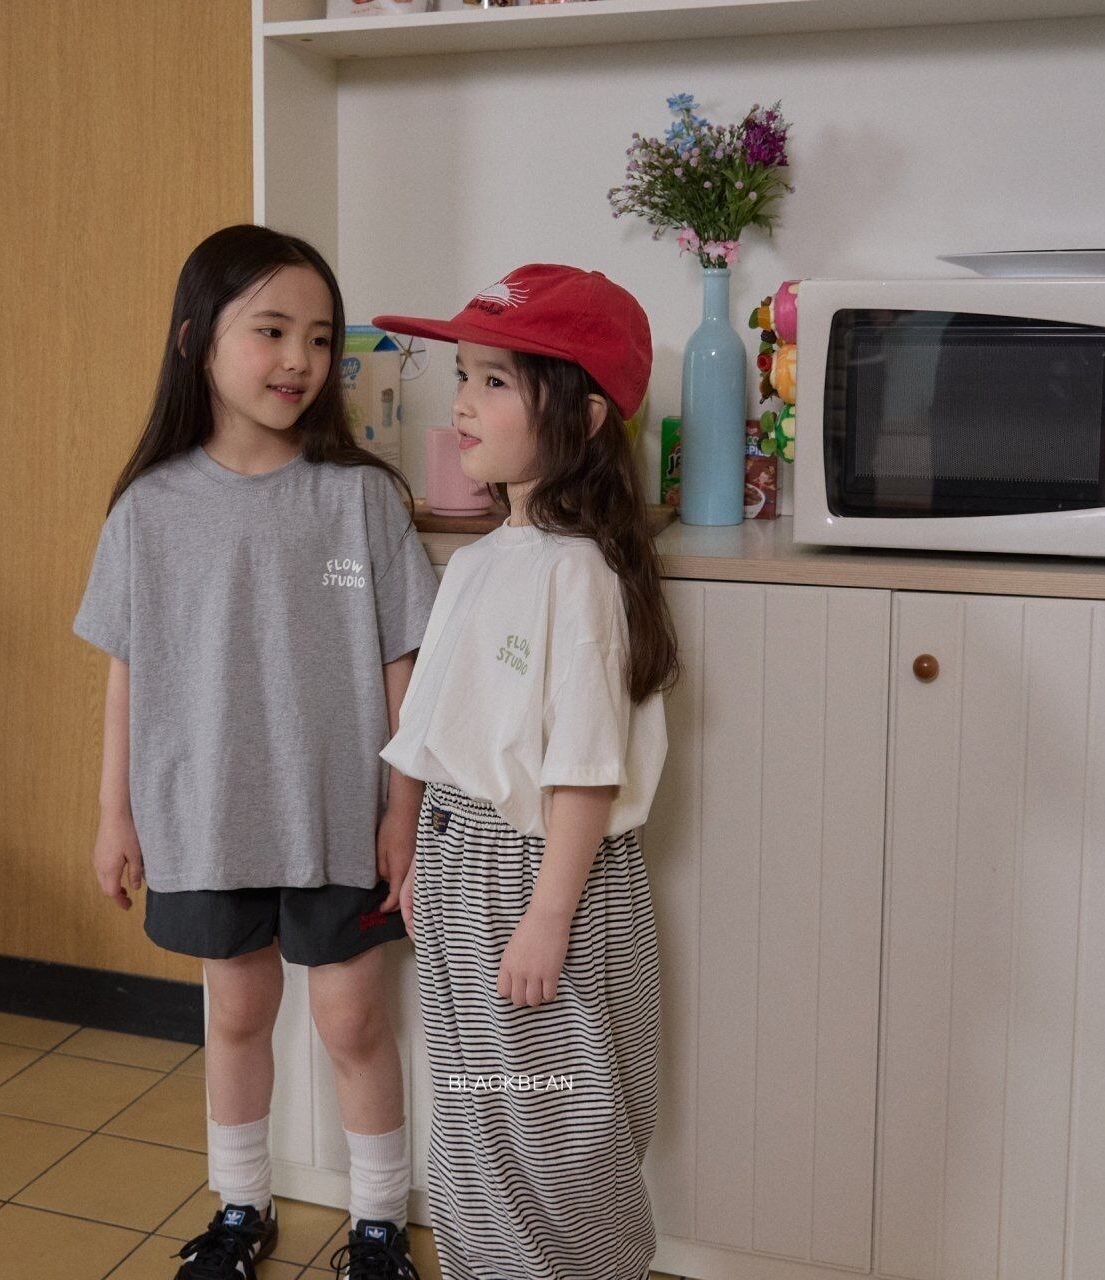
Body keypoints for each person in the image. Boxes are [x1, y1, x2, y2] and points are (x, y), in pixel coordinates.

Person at [73, 224, 437, 1280]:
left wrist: (403, 814)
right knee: (235, 1011)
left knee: (352, 1019)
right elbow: (127, 676)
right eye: (271, 331)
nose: (299, 360)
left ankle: (377, 1225)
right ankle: (241, 1207)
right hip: (202, 812)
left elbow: (402, 668)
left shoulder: (358, 499)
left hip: (339, 814)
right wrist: (114, 814)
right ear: (197, 340)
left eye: (319, 338)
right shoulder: (147, 509)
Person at [373, 263, 679, 1280]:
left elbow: (585, 769)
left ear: (582, 418)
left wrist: (548, 916)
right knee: (474, 1130)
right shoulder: (476, 561)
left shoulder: (578, 574)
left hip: (542, 878)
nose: (462, 401)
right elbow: (436, 729)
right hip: (463, 871)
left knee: (554, 1136)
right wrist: (419, 856)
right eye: (462, 375)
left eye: (495, 381)